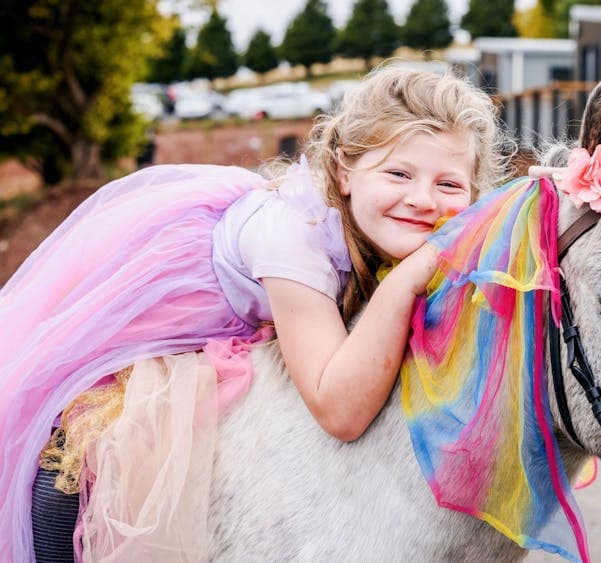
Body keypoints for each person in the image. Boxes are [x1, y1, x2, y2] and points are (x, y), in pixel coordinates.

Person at [0, 66, 509, 561]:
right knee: (74, 459)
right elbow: (340, 409)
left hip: (257, 320)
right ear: (344, 172)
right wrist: (407, 277)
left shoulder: (393, 224)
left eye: (449, 185)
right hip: (152, 327)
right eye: (398, 172)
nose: (422, 199)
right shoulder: (296, 238)